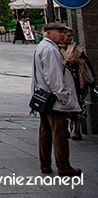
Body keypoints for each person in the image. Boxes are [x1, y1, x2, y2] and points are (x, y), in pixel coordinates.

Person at [32, 23, 82, 175]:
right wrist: (63, 97)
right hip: (53, 99)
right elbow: (53, 77)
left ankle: (45, 164)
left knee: (45, 131)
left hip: (43, 96)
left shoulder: (42, 47)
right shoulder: (50, 50)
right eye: (59, 32)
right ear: (48, 33)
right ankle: (63, 166)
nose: (62, 34)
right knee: (59, 132)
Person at [61, 28, 95, 142]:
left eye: (71, 36)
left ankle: (77, 130)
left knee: (79, 105)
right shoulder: (57, 48)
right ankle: (65, 129)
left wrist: (78, 61)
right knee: (64, 106)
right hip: (63, 82)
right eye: (67, 36)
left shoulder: (76, 48)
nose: (70, 38)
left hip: (77, 81)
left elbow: (85, 61)